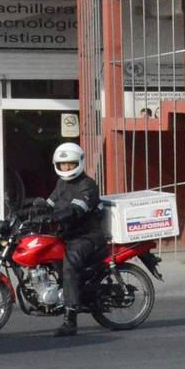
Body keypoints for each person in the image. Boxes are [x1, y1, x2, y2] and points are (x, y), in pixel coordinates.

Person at [24, 143, 106, 337]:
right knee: (48, 257)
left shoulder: (88, 185)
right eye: (62, 165)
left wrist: (54, 217)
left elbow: (76, 210)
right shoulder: (62, 184)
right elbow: (49, 204)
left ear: (79, 163)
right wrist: (28, 211)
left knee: (70, 268)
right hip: (66, 235)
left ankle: (71, 321)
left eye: (70, 164)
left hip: (86, 236)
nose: (66, 168)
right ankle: (61, 295)